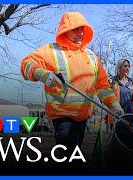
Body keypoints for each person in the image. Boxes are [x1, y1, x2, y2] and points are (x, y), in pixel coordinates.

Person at [20, 12, 124, 158]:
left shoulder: (92, 57)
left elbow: (103, 86)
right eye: (76, 29)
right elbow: (27, 63)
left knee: (73, 155)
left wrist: (115, 107)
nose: (81, 33)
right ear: (65, 29)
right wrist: (42, 74)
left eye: (82, 29)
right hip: (62, 117)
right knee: (68, 157)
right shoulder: (51, 50)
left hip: (83, 117)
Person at [107, 59, 133, 129]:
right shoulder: (112, 82)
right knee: (116, 138)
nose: (127, 68)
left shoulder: (132, 82)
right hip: (116, 117)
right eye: (125, 66)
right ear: (119, 67)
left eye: (128, 66)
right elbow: (107, 99)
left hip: (130, 117)